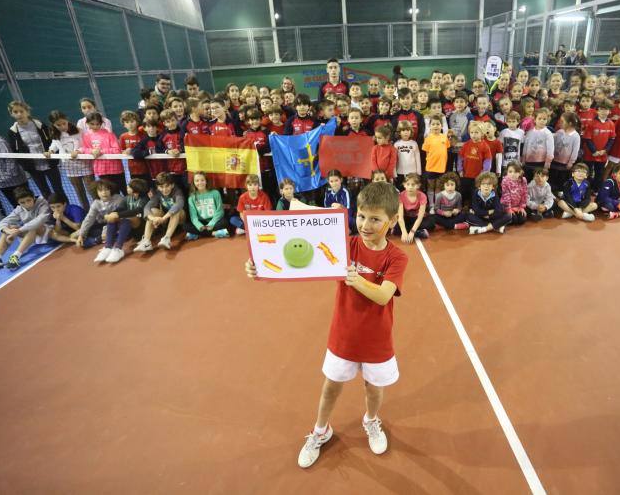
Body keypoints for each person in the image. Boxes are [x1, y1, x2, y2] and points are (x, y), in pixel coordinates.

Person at [244, 182, 407, 469]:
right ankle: (321, 430)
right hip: (343, 336)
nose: (365, 225)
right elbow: (296, 254)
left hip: (377, 340)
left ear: (392, 220)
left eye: (375, 219)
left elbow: (383, 296)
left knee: (373, 387)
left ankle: (371, 420)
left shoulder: (396, 257)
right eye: (361, 216)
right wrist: (261, 266)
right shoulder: (344, 245)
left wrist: (356, 279)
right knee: (331, 387)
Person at [0, 187, 51, 271]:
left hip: (48, 232)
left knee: (33, 227)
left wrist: (19, 231)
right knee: (10, 227)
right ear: (18, 202)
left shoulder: (42, 203)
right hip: (31, 236)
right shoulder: (19, 209)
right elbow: (2, 223)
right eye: (22, 202)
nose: (26, 204)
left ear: (33, 197)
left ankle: (15, 256)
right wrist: (8, 230)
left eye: (28, 200)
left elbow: (40, 220)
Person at [6, 100, 65, 199]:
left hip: (50, 164)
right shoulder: (12, 132)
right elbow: (15, 151)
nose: (19, 114)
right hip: (33, 168)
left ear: (27, 111)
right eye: (15, 112)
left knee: (58, 190)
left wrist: (52, 154)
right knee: (45, 192)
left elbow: (52, 141)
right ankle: (52, 212)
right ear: (11, 114)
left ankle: (66, 210)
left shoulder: (40, 125)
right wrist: (25, 165)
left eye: (21, 111)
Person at [134, 172, 186, 251]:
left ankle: (166, 238)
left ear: (172, 185)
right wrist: (153, 218)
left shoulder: (177, 191)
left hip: (180, 218)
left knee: (176, 210)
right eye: (161, 187)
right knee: (153, 211)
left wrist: (164, 218)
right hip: (166, 220)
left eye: (167, 186)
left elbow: (179, 204)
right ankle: (146, 242)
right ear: (158, 187)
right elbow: (147, 207)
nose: (164, 189)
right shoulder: (158, 193)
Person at [77, 179, 125, 258]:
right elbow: (89, 219)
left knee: (119, 233)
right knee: (79, 235)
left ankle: (99, 239)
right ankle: (101, 238)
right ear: (96, 192)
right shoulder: (96, 203)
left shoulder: (118, 199)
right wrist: (81, 235)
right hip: (101, 224)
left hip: (117, 224)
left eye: (106, 189)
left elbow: (122, 216)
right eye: (101, 190)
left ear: (111, 190)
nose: (104, 193)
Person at [107, 178, 150, 262]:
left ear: (136, 189)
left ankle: (118, 248)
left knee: (129, 218)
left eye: (129, 187)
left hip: (142, 229)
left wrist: (118, 215)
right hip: (129, 229)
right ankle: (107, 247)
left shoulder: (145, 199)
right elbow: (120, 208)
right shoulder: (127, 198)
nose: (127, 188)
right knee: (112, 219)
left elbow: (137, 211)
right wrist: (112, 214)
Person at [82, 112, 125, 193]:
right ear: (87, 123)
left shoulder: (109, 135)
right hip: (101, 170)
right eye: (92, 124)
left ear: (101, 123)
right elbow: (84, 149)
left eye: (97, 124)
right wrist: (92, 151)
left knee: (122, 190)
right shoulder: (87, 136)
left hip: (116, 169)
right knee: (110, 193)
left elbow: (117, 150)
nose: (95, 126)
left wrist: (101, 152)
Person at [582, 101, 616, 192]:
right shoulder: (591, 123)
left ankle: (596, 189)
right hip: (590, 154)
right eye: (601, 109)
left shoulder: (611, 124)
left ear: (609, 111)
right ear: (597, 111)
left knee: (599, 173)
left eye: (606, 110)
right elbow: (587, 139)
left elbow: (612, 139)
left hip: (602, 154)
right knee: (587, 172)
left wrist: (605, 150)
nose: (603, 112)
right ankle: (586, 189)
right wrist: (594, 151)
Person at [185, 172, 230, 240]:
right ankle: (215, 233)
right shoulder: (191, 197)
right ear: (193, 183)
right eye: (197, 181)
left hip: (215, 221)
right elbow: (193, 216)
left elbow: (220, 211)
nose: (200, 183)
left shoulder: (215, 193)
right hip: (201, 222)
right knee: (185, 226)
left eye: (202, 180)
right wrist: (199, 226)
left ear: (206, 181)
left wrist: (211, 224)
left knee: (225, 222)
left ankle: (197, 233)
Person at [457, 121, 492, 206]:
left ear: (482, 133)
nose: (473, 135)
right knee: (463, 191)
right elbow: (460, 158)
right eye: (472, 132)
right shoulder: (466, 144)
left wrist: (483, 174)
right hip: (465, 174)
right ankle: (461, 207)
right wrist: (460, 169)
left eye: (476, 132)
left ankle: (474, 208)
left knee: (475, 193)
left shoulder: (485, 146)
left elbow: (488, 161)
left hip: (477, 177)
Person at [394, 173, 434, 242]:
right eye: (408, 184)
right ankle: (419, 232)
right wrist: (403, 232)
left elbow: (420, 217)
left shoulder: (422, 196)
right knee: (396, 226)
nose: (410, 187)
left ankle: (413, 230)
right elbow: (400, 216)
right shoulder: (401, 196)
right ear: (404, 185)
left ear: (418, 186)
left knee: (431, 223)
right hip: (406, 218)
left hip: (416, 218)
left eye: (413, 185)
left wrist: (412, 232)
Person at [421, 114, 449, 208]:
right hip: (430, 167)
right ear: (430, 126)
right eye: (433, 124)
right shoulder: (428, 138)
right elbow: (426, 153)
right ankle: (431, 205)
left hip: (441, 167)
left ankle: (436, 205)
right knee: (430, 186)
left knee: (438, 187)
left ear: (441, 126)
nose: (436, 126)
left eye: (438, 124)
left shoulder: (444, 137)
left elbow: (446, 149)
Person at [520, 109, 554, 183]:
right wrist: (523, 159)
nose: (542, 121)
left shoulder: (548, 134)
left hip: (541, 163)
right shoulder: (529, 132)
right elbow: (525, 147)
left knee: (538, 181)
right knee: (527, 181)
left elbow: (550, 150)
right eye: (539, 118)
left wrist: (547, 163)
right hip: (528, 162)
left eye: (544, 119)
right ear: (535, 120)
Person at [550, 112, 580, 193]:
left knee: (562, 178)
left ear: (570, 123)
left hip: (565, 163)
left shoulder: (576, 136)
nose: (560, 123)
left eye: (562, 121)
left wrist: (571, 162)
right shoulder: (560, 132)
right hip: (554, 161)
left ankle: (560, 191)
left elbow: (575, 151)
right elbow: (552, 143)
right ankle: (551, 191)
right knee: (552, 177)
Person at [394, 121, 421, 190]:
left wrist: (419, 172)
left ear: (411, 131)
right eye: (403, 130)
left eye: (408, 130)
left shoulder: (414, 143)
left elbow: (417, 158)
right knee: (401, 189)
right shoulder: (396, 144)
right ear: (399, 132)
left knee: (412, 189)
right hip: (400, 172)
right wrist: (394, 173)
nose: (406, 132)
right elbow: (393, 159)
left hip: (412, 172)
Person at [500, 160, 528, 226]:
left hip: (518, 206)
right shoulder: (505, 181)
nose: (513, 174)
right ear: (507, 172)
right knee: (513, 220)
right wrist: (509, 209)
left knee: (522, 220)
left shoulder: (523, 180)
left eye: (516, 172)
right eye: (510, 172)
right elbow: (506, 197)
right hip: (507, 206)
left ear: (520, 172)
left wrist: (521, 207)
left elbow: (525, 194)